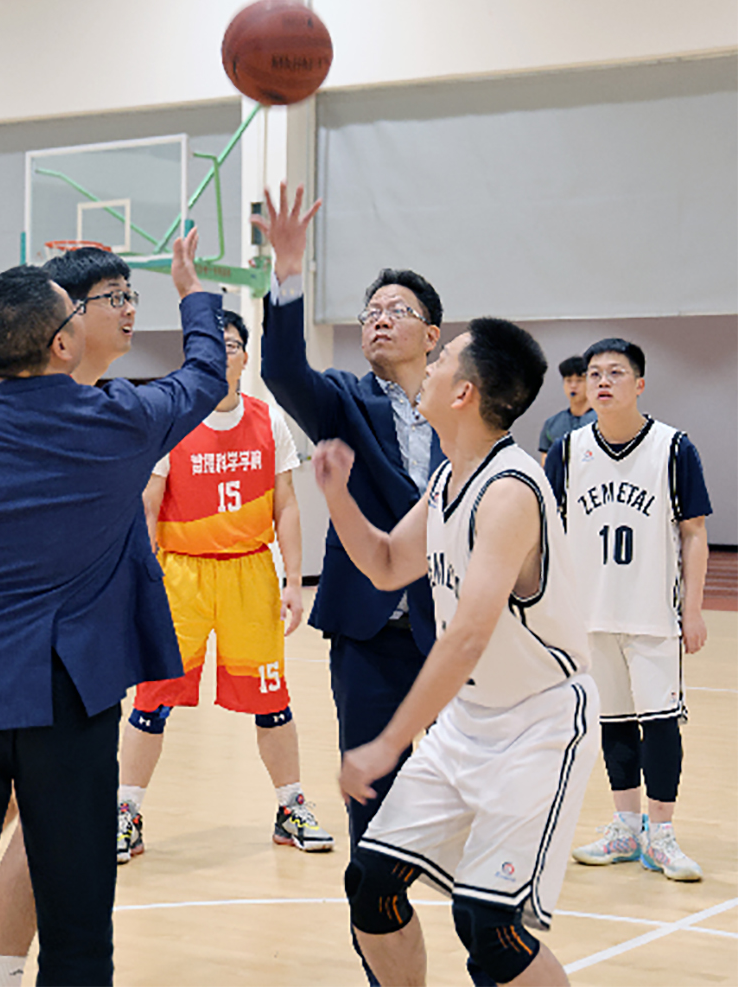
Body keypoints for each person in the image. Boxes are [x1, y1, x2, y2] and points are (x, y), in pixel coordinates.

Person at [0, 230, 227, 987]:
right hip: (72, 700)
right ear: (63, 343)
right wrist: (193, 292)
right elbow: (206, 374)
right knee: (78, 936)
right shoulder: (120, 421)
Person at [313, 318, 598, 987]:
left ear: (465, 392)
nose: (432, 366)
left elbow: (468, 636)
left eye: (442, 359)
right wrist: (335, 495)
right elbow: (387, 563)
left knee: (489, 928)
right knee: (372, 884)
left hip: (538, 725)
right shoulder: (448, 479)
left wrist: (388, 744)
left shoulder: (509, 490)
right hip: (469, 723)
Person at [254, 184, 444, 856]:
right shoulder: (342, 400)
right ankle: (379, 914)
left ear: (433, 335)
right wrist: (287, 271)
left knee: (466, 794)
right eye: (371, 312)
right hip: (369, 634)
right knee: (373, 802)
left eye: (397, 311)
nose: (379, 321)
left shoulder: (464, 408)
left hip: (453, 630)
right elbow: (281, 369)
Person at [118, 309, 333, 859]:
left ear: (244, 356)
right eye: (211, 346)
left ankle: (291, 807)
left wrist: (293, 580)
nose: (222, 354)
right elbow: (147, 506)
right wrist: (141, 579)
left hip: (249, 573)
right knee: (152, 700)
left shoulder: (269, 421)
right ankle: (126, 812)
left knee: (272, 699)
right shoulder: (172, 420)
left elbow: (286, 504)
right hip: (181, 576)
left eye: (231, 345)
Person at [0, 246, 141, 987]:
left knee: (38, 824)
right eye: (113, 296)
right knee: (14, 819)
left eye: (132, 293)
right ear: (66, 322)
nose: (129, 309)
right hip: (12, 663)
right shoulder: (22, 417)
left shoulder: (109, 406)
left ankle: (3, 972)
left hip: (82, 657)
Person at [545, 337, 711, 883]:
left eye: (615, 372)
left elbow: (694, 533)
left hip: (652, 614)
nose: (602, 382)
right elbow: (549, 534)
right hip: (590, 615)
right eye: (594, 373)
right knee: (612, 722)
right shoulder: (567, 451)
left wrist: (693, 609)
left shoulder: (673, 447)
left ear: (639, 384)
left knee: (659, 723)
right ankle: (625, 826)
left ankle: (661, 834)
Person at [538, 355, 596, 466]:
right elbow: (546, 463)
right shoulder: (552, 424)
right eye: (568, 381)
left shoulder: (603, 421)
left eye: (579, 380)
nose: (573, 386)